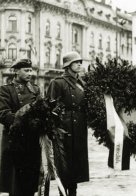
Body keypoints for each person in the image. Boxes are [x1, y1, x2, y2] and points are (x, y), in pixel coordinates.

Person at [0, 59, 41, 196]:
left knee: (30, 185)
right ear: (16, 71)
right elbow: (2, 115)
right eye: (26, 70)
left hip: (32, 143)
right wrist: (25, 120)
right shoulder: (5, 90)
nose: (30, 73)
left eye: (30, 70)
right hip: (14, 142)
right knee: (15, 187)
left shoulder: (35, 89)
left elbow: (41, 112)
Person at [47, 51, 89, 196]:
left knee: (76, 166)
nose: (79, 64)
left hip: (79, 128)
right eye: (76, 62)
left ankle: (73, 193)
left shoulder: (82, 83)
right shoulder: (57, 82)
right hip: (63, 129)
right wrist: (54, 129)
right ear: (68, 65)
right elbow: (50, 107)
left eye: (80, 62)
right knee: (64, 166)